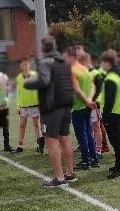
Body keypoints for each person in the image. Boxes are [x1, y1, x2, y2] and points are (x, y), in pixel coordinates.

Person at [25, 36, 77, 188]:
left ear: (42, 49)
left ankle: (59, 178)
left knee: (51, 141)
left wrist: (28, 84)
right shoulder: (64, 63)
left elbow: (44, 81)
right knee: (65, 138)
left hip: (52, 107)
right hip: (66, 105)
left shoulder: (45, 62)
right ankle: (69, 174)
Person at [64, 47, 97, 170]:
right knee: (88, 133)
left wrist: (86, 101)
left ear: (72, 57)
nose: (65, 60)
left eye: (66, 57)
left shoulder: (72, 71)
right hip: (87, 106)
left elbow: (76, 90)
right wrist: (89, 99)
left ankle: (85, 161)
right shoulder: (84, 69)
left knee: (81, 135)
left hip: (78, 106)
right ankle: (94, 159)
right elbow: (92, 86)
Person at [98, 51, 120, 178]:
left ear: (107, 63)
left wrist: (106, 117)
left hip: (112, 113)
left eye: (102, 62)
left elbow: (110, 100)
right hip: (119, 111)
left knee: (116, 141)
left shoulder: (111, 78)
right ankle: (118, 165)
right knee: (117, 141)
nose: (101, 65)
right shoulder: (119, 75)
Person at [14, 58, 44, 154]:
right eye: (23, 64)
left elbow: (40, 90)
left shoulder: (35, 75)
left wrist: (40, 102)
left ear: (29, 65)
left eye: (27, 64)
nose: (25, 66)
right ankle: (20, 145)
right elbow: (18, 92)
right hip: (23, 106)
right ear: (21, 66)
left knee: (36, 125)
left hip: (35, 105)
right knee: (22, 126)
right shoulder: (19, 77)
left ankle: (39, 145)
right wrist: (18, 106)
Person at [89, 54, 109, 156]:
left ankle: (98, 149)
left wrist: (95, 101)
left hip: (94, 104)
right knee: (92, 128)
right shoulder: (89, 72)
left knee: (96, 127)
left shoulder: (97, 74)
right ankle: (95, 147)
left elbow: (100, 90)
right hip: (87, 104)